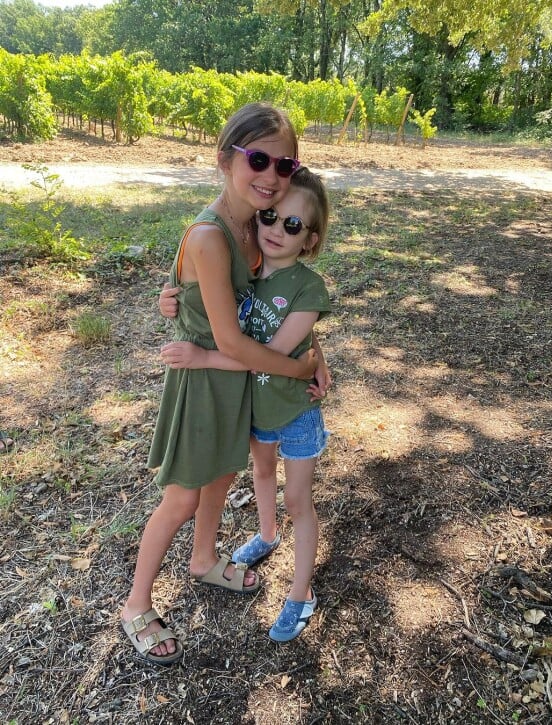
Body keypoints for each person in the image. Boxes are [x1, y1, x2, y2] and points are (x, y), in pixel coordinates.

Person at [121, 103, 324, 666]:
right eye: (258, 158)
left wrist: (317, 349)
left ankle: (204, 559)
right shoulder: (212, 234)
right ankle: (135, 603)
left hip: (237, 383)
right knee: (183, 495)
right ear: (224, 159)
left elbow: (279, 298)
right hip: (207, 380)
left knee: (221, 478)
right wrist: (298, 369)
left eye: (285, 165)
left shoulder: (259, 226)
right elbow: (232, 342)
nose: (272, 175)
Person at [160, 167, 331, 642]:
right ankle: (267, 535)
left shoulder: (309, 288)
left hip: (295, 411)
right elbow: (210, 294)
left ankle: (301, 593)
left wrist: (204, 356)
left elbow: (274, 356)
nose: (277, 230)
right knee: (259, 475)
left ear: (310, 239)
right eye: (271, 217)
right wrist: (172, 298)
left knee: (299, 501)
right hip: (256, 411)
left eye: (292, 226)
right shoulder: (250, 269)